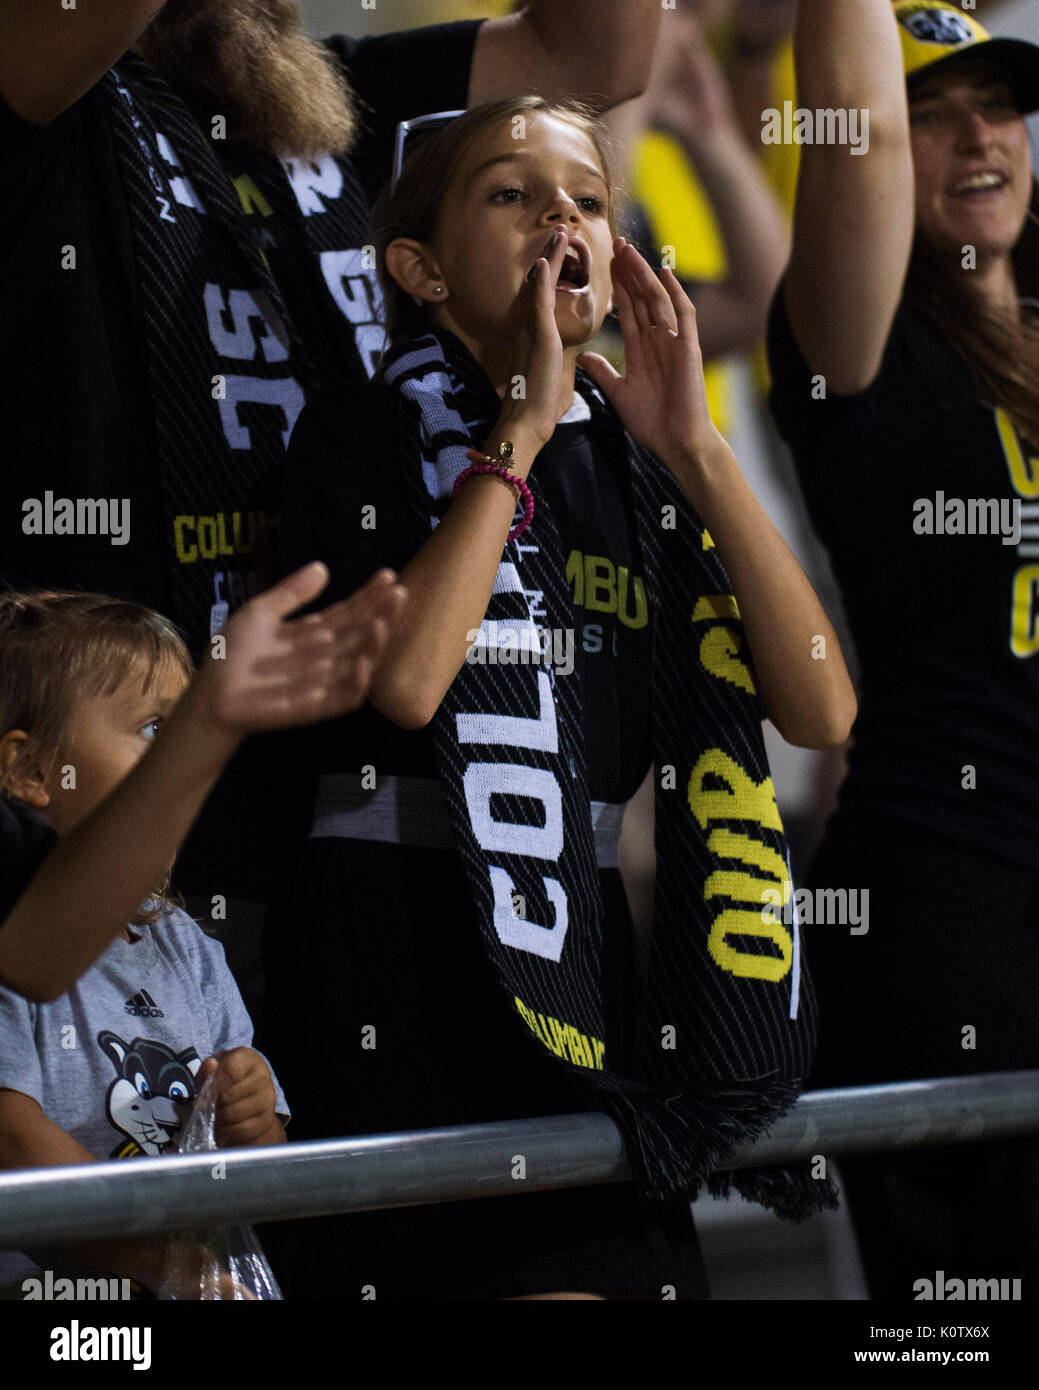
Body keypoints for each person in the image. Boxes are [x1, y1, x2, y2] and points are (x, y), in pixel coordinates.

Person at [270, 94, 856, 1301]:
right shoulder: (363, 426)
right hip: (405, 957)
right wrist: (521, 430)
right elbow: (411, 680)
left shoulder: (641, 459)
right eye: (511, 193)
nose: (562, 220)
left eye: (589, 200)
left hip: (585, 969)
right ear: (418, 269)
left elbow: (821, 709)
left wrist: (695, 447)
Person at [0, 0, 664, 1027]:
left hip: (308, 814)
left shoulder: (322, 89)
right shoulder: (50, 73)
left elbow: (593, 51)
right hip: (95, 809)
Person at [766, 0, 1039, 1298]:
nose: (972, 138)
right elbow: (855, 137)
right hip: (954, 913)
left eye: (992, 105)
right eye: (931, 115)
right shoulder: (849, 338)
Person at [0, 563, 405, 1296]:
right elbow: (13, 1145)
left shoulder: (189, 946)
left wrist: (252, 1125)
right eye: (157, 729)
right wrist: (171, 1269)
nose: (188, 763)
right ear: (30, 768)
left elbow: (259, 1180)